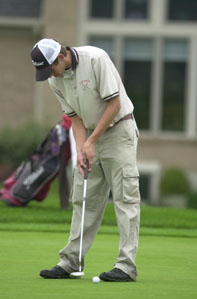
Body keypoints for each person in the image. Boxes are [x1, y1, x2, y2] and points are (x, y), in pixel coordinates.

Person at [31, 38, 141, 282]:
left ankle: (126, 266)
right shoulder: (54, 80)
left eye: (50, 68)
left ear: (61, 56)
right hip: (90, 135)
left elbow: (114, 104)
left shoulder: (96, 59)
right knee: (83, 199)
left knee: (125, 197)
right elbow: (75, 118)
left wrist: (91, 141)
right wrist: (82, 148)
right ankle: (70, 261)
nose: (50, 75)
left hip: (119, 131)